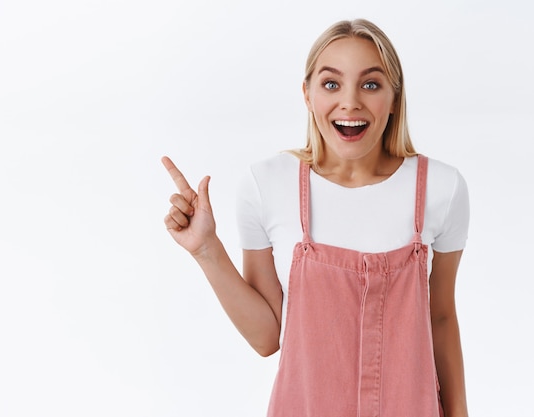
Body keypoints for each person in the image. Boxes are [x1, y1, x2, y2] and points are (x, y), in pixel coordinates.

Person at [162, 18, 469, 417]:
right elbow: (267, 337)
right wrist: (206, 249)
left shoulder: (441, 189)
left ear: (394, 98)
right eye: (331, 84)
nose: (350, 102)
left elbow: (441, 317)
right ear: (307, 94)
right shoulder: (266, 185)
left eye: (371, 84)